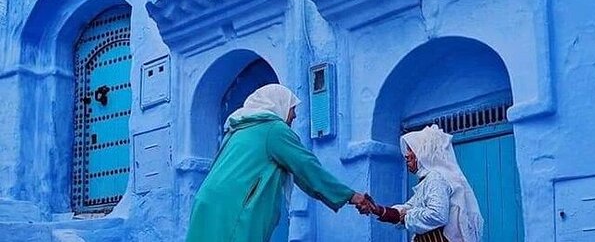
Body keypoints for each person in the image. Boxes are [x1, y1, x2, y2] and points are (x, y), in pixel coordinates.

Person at [185, 83, 371, 242]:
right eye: (292, 108)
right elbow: (306, 167)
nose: (294, 116)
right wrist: (350, 195)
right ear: (278, 104)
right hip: (234, 209)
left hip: (207, 206)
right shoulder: (274, 129)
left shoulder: (237, 130)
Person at [367, 125, 483, 242]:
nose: (406, 155)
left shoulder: (435, 178)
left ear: (423, 153)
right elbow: (410, 207)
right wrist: (379, 210)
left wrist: (406, 216)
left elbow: (437, 215)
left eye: (411, 149)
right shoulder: (427, 180)